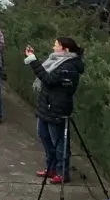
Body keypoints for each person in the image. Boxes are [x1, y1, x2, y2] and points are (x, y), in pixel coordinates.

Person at [24, 37, 84, 182]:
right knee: (44, 137)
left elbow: (48, 79)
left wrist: (33, 60)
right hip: (46, 106)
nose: (53, 47)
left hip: (58, 109)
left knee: (59, 143)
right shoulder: (56, 61)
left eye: (56, 45)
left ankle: (62, 172)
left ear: (66, 49)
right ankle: (51, 167)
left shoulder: (69, 67)